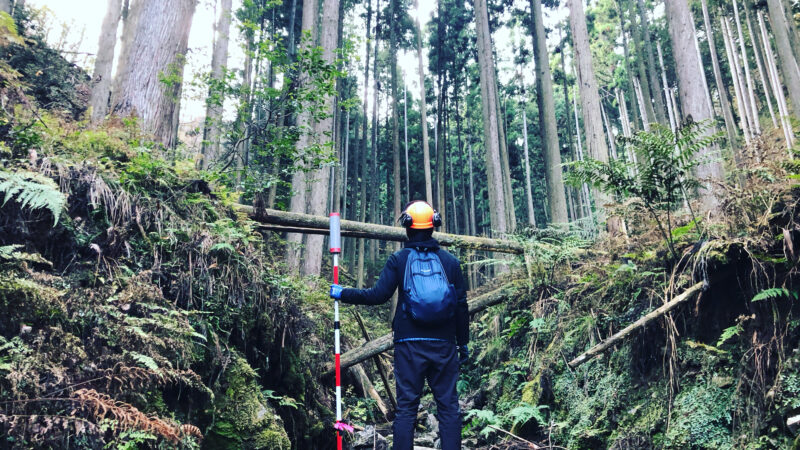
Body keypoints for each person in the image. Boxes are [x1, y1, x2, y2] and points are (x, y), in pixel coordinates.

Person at [329, 200, 469, 450]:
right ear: (433, 226)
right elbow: (461, 306)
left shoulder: (399, 259)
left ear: (407, 227)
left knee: (406, 409)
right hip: (444, 345)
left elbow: (377, 296)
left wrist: (343, 293)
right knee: (449, 408)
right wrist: (463, 342)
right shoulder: (451, 262)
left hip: (408, 345)